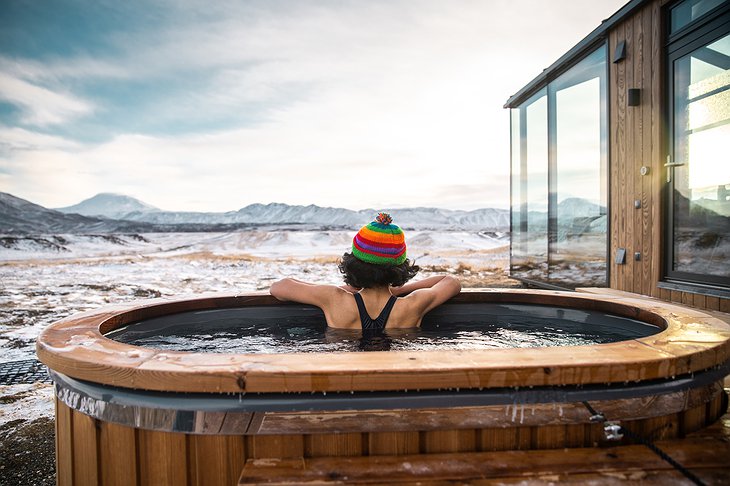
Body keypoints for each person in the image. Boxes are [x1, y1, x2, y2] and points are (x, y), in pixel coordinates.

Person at [270, 213, 461, 329]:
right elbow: (451, 281)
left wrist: (342, 289)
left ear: (353, 264)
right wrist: (398, 291)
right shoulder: (412, 305)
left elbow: (279, 287)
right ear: (401, 267)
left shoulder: (333, 298)